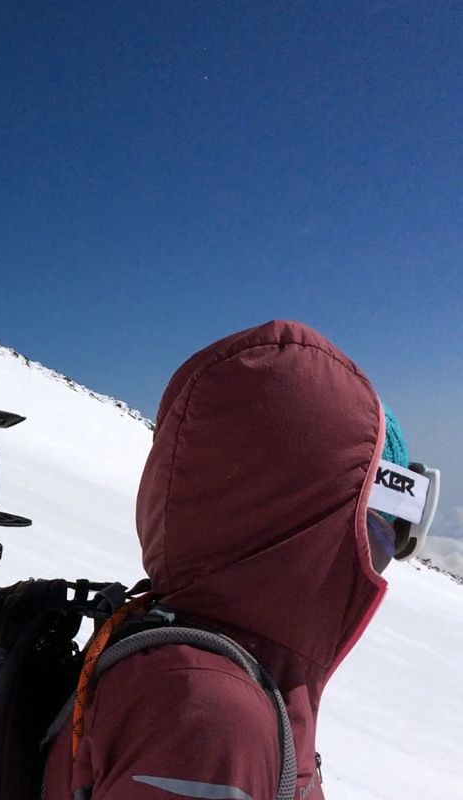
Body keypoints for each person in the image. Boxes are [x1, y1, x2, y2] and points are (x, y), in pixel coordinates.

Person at [43, 319, 427, 800]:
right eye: (374, 533)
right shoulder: (212, 715)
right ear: (302, 532)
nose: (375, 564)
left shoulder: (224, 671)